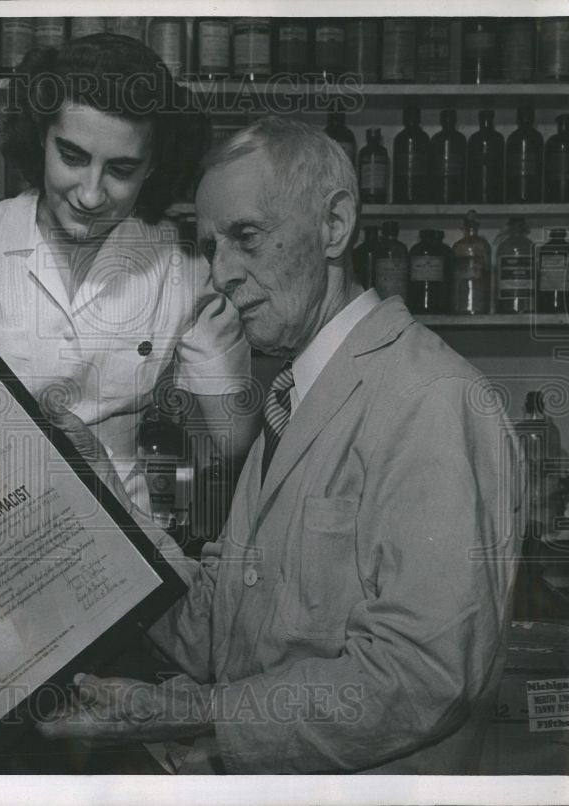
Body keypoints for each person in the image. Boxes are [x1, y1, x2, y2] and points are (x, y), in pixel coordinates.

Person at [38, 118, 525, 774]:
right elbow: (217, 628)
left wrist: (199, 712)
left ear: (335, 225)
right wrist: (96, 491)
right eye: (211, 247)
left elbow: (422, 677)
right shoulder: (295, 397)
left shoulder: (431, 400)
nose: (222, 276)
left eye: (247, 237)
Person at [0, 34, 259, 516]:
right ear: (41, 136)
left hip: (127, 529)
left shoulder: (184, 266)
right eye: (73, 158)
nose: (91, 195)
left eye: (121, 169)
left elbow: (233, 439)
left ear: (153, 166)